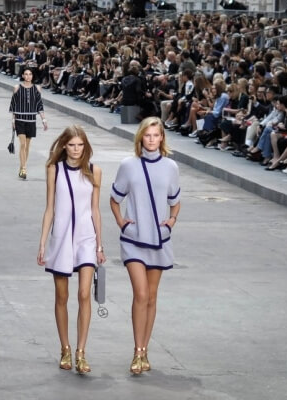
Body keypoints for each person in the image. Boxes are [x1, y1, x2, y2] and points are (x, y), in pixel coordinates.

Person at [110, 117, 181, 375]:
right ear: (140, 137)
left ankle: (144, 351)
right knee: (140, 294)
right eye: (147, 135)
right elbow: (114, 198)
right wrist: (121, 222)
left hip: (159, 240)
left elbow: (175, 200)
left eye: (156, 135)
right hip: (133, 239)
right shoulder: (128, 165)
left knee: (151, 297)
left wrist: (171, 221)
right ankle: (137, 350)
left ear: (162, 138)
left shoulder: (171, 167)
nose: (151, 139)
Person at [37, 125, 105, 374]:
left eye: (80, 145)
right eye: (72, 145)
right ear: (64, 146)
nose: (76, 149)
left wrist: (99, 244)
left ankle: (81, 352)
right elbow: (50, 208)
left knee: (84, 294)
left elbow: (95, 209)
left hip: (86, 238)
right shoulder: (54, 169)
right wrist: (43, 242)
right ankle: (65, 348)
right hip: (62, 238)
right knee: (62, 297)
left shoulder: (94, 171)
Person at [9, 67, 48, 180]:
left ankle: (22, 167)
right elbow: (13, 104)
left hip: (31, 119)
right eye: (26, 74)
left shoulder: (37, 88)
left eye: (30, 74)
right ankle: (24, 169)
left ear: (32, 76)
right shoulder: (17, 87)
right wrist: (13, 120)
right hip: (20, 119)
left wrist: (44, 120)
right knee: (22, 144)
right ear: (22, 76)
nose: (28, 76)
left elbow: (39, 105)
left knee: (27, 145)